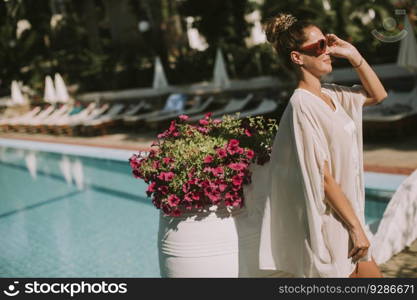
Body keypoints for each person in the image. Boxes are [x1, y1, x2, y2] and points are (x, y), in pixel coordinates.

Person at [259, 13, 387, 277]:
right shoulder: (301, 105)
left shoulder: (333, 95)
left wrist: (353, 54)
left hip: (352, 216)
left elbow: (378, 95)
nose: (327, 50)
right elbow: (323, 176)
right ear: (297, 57)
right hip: (334, 224)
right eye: (319, 46)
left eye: (326, 43)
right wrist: (355, 228)